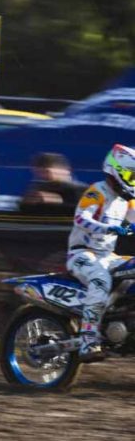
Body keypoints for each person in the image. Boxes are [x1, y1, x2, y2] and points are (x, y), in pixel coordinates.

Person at [66, 144, 135, 362]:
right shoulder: (97, 191)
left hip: (107, 256)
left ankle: (117, 320)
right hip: (82, 254)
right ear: (115, 170)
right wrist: (108, 228)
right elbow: (80, 218)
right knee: (100, 281)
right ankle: (88, 339)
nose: (133, 181)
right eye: (130, 175)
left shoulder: (127, 201)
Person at [20, 152, 86, 212]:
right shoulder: (39, 188)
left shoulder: (81, 190)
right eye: (38, 173)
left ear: (65, 170)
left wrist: (56, 203)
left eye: (46, 172)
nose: (42, 176)